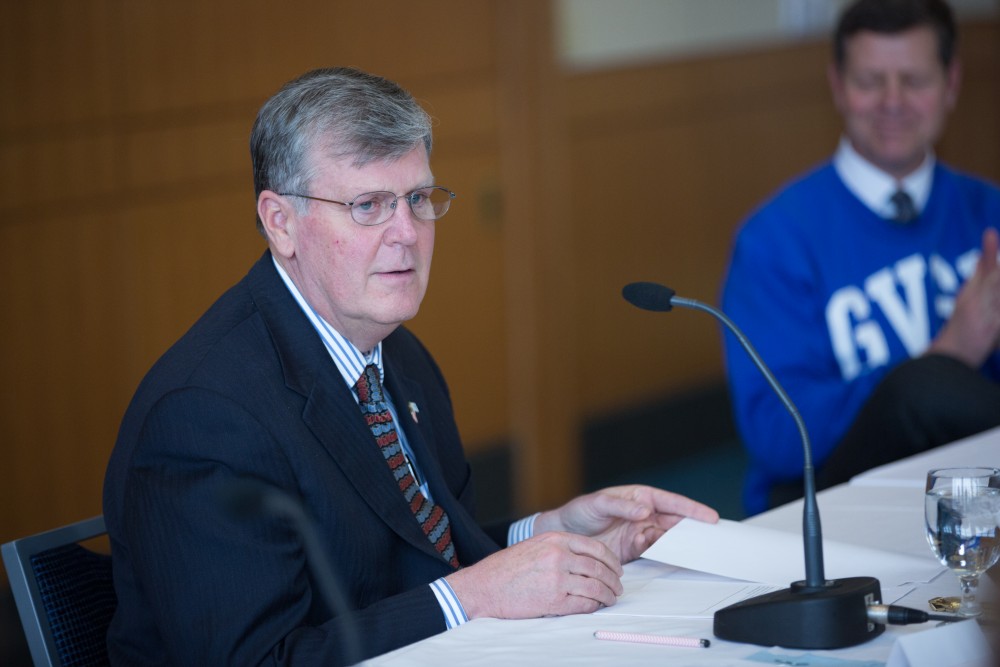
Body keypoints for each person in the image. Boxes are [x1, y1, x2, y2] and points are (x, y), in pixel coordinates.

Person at [102, 67, 718, 665]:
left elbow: (419, 554)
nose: (407, 233)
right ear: (281, 222)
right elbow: (261, 659)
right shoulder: (205, 417)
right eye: (369, 205)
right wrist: (478, 595)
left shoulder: (393, 350)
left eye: (418, 198)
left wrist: (552, 533)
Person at [721, 0, 1000, 516]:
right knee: (925, 386)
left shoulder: (990, 213)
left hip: (977, 501)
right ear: (837, 86)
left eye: (914, 80)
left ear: (952, 84)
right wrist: (948, 354)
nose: (892, 103)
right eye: (871, 81)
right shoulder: (774, 240)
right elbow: (778, 438)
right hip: (832, 508)